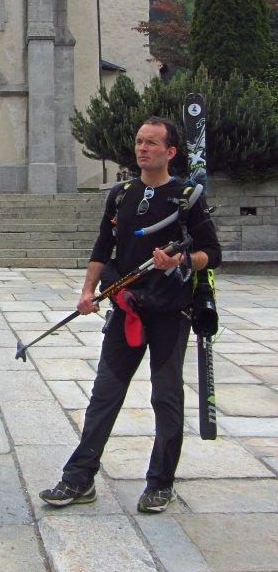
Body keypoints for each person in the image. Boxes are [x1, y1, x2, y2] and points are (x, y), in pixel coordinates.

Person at [40, 116, 221, 514]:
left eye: (152, 143)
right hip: (126, 309)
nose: (143, 148)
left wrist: (179, 259)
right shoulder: (121, 194)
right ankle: (79, 477)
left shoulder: (187, 196)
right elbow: (103, 247)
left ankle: (160, 483)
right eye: (140, 141)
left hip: (171, 314)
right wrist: (88, 291)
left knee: (166, 398)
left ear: (170, 151)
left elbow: (212, 254)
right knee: (104, 394)